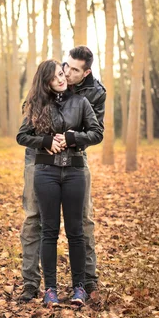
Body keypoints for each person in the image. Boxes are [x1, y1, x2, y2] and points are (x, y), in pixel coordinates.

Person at [18, 46, 106, 303]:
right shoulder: (44, 89)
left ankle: (87, 283)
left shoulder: (94, 94)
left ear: (85, 72)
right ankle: (33, 284)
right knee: (36, 221)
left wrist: (70, 139)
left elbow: (95, 132)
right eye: (64, 67)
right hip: (39, 161)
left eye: (73, 70)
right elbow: (27, 127)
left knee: (82, 223)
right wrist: (45, 141)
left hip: (74, 161)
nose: (66, 74)